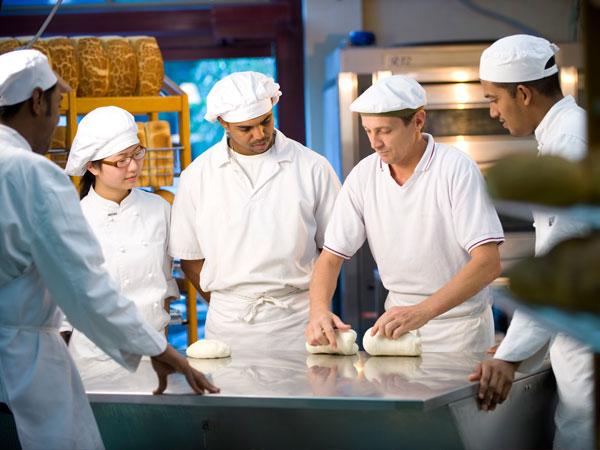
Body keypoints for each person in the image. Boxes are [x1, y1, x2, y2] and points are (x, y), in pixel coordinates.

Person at [0, 49, 218, 450]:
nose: (55, 121)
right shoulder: (31, 172)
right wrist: (158, 349)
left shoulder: (157, 208)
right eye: (56, 106)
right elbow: (85, 290)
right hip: (27, 358)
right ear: (36, 101)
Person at [306, 75, 504, 352]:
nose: (375, 143)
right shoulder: (364, 175)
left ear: (418, 121)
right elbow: (329, 258)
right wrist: (318, 311)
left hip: (459, 331)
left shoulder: (455, 169)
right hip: (396, 330)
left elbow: (488, 263)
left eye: (384, 131)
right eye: (368, 131)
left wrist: (423, 311)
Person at [468, 34, 592, 450]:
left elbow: (558, 264)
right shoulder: (564, 135)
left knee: (581, 436)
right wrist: (518, 343)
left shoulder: (569, 145)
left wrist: (510, 356)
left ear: (522, 93)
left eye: (493, 99)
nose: (491, 112)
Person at [169, 71, 340, 353]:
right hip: (230, 324)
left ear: (272, 107)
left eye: (265, 122)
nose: (259, 134)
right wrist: (231, 303)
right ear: (223, 122)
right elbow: (190, 258)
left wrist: (318, 306)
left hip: (300, 319)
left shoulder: (313, 167)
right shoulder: (197, 177)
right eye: (246, 129)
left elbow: (333, 250)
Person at [62, 106, 179, 380]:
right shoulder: (73, 219)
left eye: (137, 153)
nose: (134, 166)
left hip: (155, 354)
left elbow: (167, 280)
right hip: (94, 361)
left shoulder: (160, 208)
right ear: (92, 166)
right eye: (121, 160)